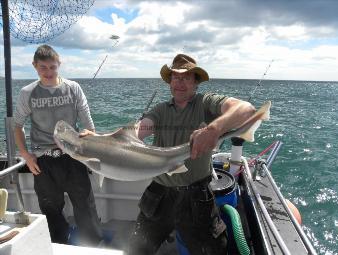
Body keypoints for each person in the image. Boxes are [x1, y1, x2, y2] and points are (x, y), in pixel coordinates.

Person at [127, 54, 255, 255]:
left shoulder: (206, 104)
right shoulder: (160, 110)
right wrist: (117, 138)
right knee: (136, 250)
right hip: (160, 194)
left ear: (196, 82)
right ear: (170, 82)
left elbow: (246, 109)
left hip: (197, 195)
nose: (180, 82)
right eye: (176, 77)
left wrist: (213, 129)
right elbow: (138, 130)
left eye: (186, 77)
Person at [13, 44, 103, 246]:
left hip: (73, 157)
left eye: (52, 67)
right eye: (43, 67)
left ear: (59, 65)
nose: (48, 72)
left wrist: (91, 137)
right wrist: (26, 155)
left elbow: (89, 125)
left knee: (86, 208)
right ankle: (58, 245)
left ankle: (93, 246)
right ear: (34, 66)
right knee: (51, 210)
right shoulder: (28, 92)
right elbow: (17, 126)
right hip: (43, 162)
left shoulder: (73, 88)